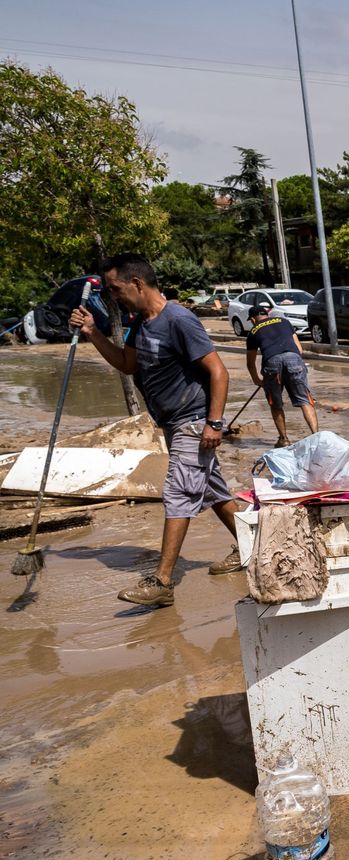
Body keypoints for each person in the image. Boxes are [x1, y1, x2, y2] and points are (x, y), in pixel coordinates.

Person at [69, 254, 243, 608]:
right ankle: (255, 546)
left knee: (178, 492)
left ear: (137, 283)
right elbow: (126, 364)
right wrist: (93, 333)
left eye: (117, 289)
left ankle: (162, 581)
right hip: (170, 422)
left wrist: (214, 422)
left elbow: (219, 372)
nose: (114, 297)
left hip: (192, 421)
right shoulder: (140, 323)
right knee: (213, 492)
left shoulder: (179, 320)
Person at [245, 301, 318, 447]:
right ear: (268, 314)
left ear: (253, 319)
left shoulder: (253, 332)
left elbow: (250, 362)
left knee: (275, 404)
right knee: (305, 400)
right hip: (294, 359)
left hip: (272, 363)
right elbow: (299, 349)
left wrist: (256, 379)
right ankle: (316, 437)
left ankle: (284, 439)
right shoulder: (284, 321)